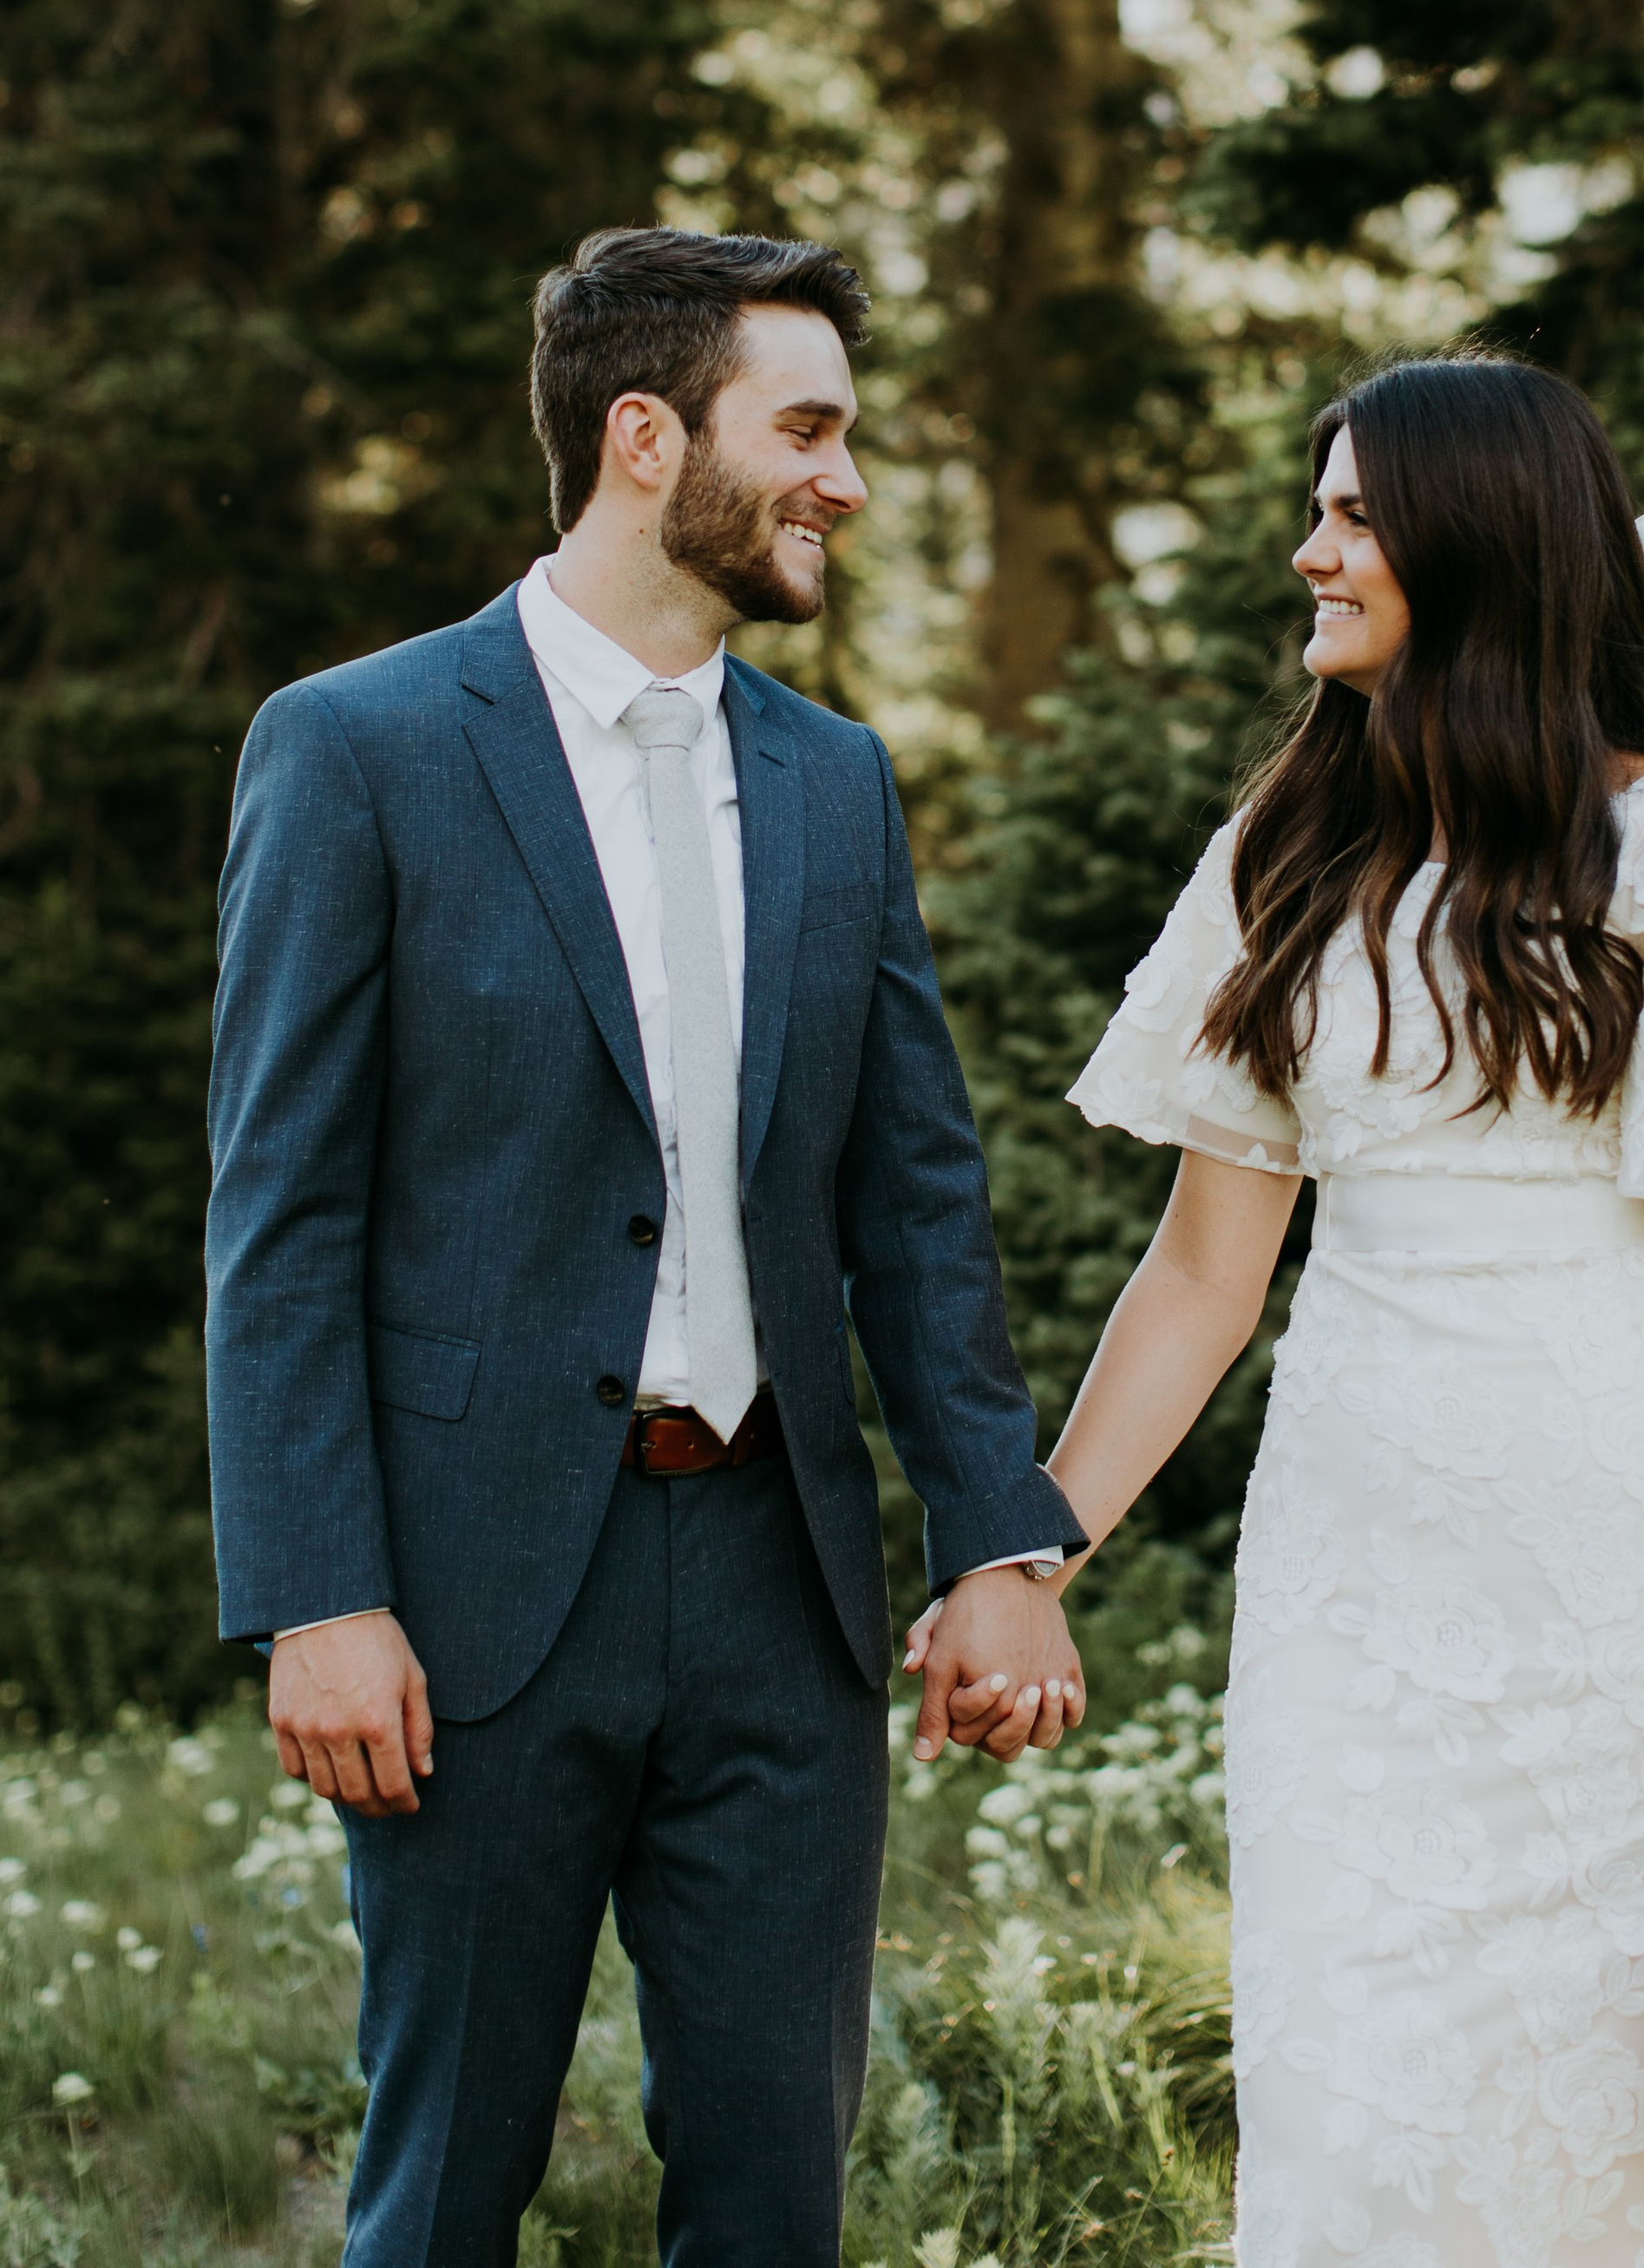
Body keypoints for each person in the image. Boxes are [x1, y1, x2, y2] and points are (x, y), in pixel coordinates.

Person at [929, 353, 1644, 2268]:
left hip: (1621, 1601)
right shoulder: (1285, 850)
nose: (1308, 550)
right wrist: (1027, 1553)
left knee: (1601, 2132)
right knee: (1349, 2109)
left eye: (1350, 514)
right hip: (1350, 1590)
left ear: (1472, 545)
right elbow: (1203, 1273)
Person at [206, 226, 1085, 2268]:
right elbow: (281, 1213)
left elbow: (913, 1204)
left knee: (776, 2193)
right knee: (442, 2195)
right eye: (805, 430)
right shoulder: (358, 747)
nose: (842, 482)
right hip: (469, 1599)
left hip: (784, 1601)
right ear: (640, 438)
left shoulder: (835, 782)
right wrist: (318, 1590)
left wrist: (994, 1542)